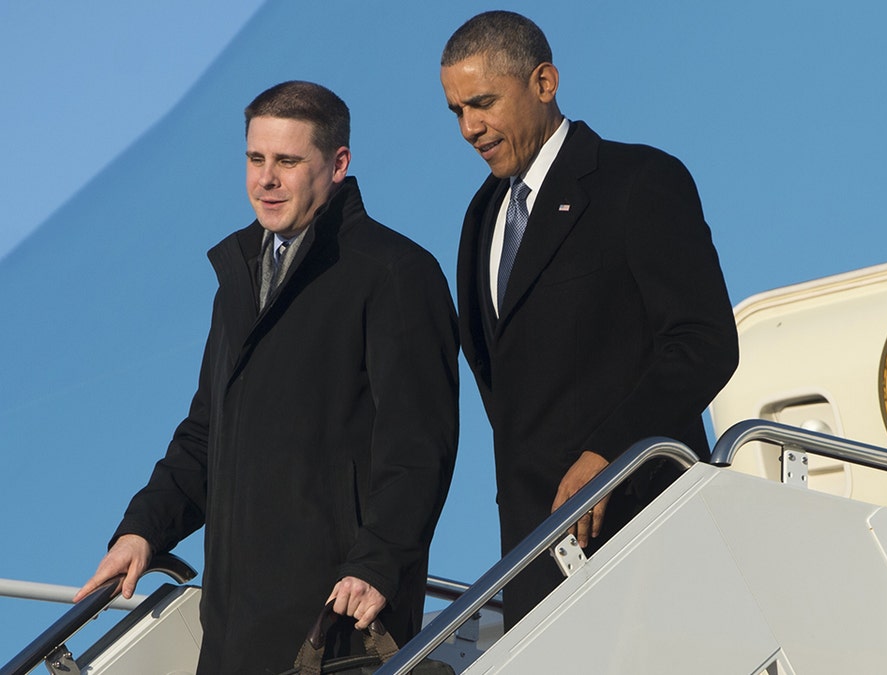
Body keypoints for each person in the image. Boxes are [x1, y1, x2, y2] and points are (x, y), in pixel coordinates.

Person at [74, 81, 459, 674]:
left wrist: (377, 564)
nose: (266, 179)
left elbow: (419, 447)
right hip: (234, 631)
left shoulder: (394, 274)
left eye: (287, 161)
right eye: (256, 158)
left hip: (336, 627)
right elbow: (207, 436)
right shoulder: (239, 277)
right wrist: (142, 530)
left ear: (337, 164)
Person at [440, 11, 739, 629]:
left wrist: (608, 451)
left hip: (642, 525)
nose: (470, 128)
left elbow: (704, 343)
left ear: (544, 82)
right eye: (457, 111)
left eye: (483, 103)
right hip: (535, 561)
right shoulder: (481, 218)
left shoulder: (638, 181)